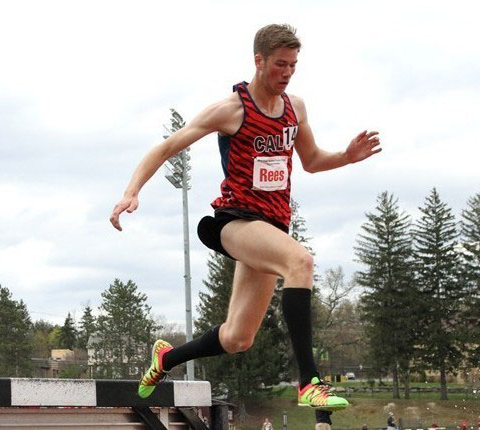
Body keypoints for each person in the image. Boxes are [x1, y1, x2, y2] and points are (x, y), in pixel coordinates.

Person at [109, 23, 381, 411]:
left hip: (271, 228)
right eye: (279, 65)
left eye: (293, 66)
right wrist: (131, 191)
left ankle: (165, 359)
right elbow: (167, 146)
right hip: (234, 222)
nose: (287, 73)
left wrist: (346, 157)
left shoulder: (295, 108)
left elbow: (313, 160)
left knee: (238, 338)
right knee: (300, 261)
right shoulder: (231, 111)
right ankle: (310, 382)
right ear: (259, 60)